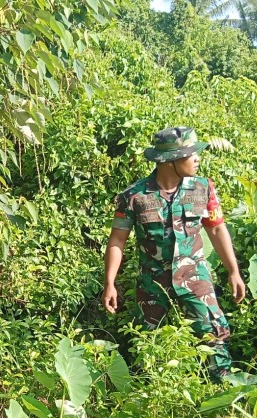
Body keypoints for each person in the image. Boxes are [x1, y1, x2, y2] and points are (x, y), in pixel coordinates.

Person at [102, 126, 246, 379]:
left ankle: (223, 392)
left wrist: (234, 271)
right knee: (144, 342)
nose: (197, 159)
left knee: (215, 335)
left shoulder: (203, 188)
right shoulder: (134, 196)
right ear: (170, 160)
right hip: (152, 281)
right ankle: (144, 398)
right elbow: (117, 240)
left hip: (195, 277)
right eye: (191, 154)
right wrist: (109, 283)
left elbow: (216, 229)